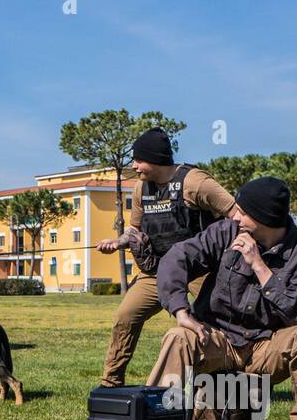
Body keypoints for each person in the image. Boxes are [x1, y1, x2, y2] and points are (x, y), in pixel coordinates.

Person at [150, 176, 297, 420]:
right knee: (177, 337)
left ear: (265, 218)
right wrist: (181, 311)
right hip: (218, 339)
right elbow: (176, 258)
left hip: (266, 345)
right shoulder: (225, 232)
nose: (235, 216)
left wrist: (259, 266)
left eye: (243, 212)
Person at [97, 128, 236, 387]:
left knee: (212, 319)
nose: (134, 166)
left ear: (156, 159)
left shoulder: (195, 183)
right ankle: (110, 383)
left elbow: (236, 215)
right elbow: (134, 229)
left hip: (201, 270)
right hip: (158, 269)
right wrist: (118, 242)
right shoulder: (141, 188)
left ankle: (219, 381)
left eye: (139, 160)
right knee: (125, 316)